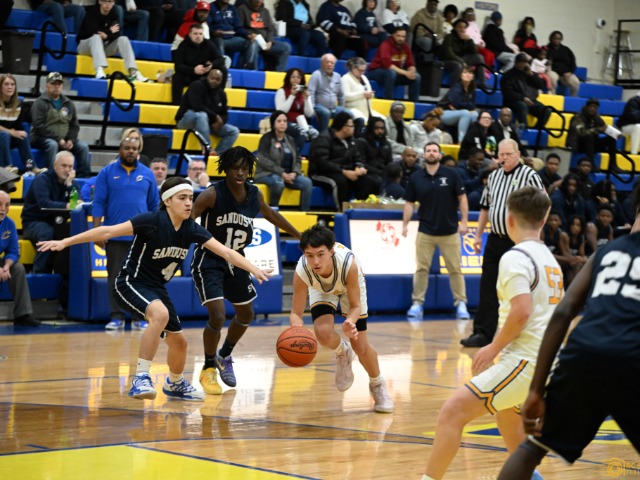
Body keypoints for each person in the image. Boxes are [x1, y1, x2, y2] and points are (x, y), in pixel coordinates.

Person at [38, 177, 272, 401]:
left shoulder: (191, 228)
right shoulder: (151, 221)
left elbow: (227, 252)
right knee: (160, 315)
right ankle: (141, 377)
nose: (189, 203)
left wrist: (253, 268)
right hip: (131, 282)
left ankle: (175, 383)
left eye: (191, 198)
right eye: (182, 198)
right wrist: (65, 242)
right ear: (167, 200)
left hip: (156, 288)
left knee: (179, 343)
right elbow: (106, 231)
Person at [496, 186, 640, 480]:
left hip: (582, 355)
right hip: (632, 357)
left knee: (533, 448)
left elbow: (563, 313)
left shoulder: (608, 251)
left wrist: (536, 390)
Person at [423, 186, 558, 480]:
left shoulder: (516, 256)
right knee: (506, 416)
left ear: (508, 219)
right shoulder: (549, 258)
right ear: (543, 220)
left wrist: (493, 347)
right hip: (545, 361)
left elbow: (521, 311)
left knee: (452, 412)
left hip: (525, 361)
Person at [191, 147, 300, 395]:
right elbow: (189, 219)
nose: (240, 173)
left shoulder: (254, 194)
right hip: (209, 259)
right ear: (225, 169)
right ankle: (208, 367)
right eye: (235, 168)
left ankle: (224, 355)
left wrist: (299, 235)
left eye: (244, 168)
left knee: (246, 314)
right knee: (217, 315)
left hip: (237, 259)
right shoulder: (212, 194)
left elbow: (271, 214)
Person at [289, 224, 394, 413]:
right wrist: (297, 329)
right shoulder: (302, 270)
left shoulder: (348, 264)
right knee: (322, 333)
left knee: (360, 346)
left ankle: (377, 384)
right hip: (321, 289)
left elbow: (355, 306)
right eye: (309, 255)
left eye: (320, 254)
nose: (315, 261)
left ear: (331, 251)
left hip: (348, 286)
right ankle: (342, 352)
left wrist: (350, 322)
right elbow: (296, 312)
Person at [460, 139, 545, 348]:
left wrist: (538, 231)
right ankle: (482, 333)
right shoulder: (494, 176)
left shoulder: (529, 175)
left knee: (519, 288)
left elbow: (545, 203)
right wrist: (477, 235)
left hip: (518, 241)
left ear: (518, 154)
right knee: (487, 286)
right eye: (501, 155)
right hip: (494, 238)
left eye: (508, 154)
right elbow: (485, 207)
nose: (504, 158)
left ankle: (523, 333)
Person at [93, 137, 160, 331]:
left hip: (141, 237)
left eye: (134, 149)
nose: (131, 151)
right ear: (120, 150)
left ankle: (139, 316)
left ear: (138, 151)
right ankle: (116, 316)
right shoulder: (106, 173)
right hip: (115, 236)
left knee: (140, 279)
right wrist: (97, 232)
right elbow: (98, 203)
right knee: (115, 278)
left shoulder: (147, 174)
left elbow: (154, 206)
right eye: (127, 148)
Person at [404, 142, 470, 324]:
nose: (431, 153)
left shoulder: (452, 174)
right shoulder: (416, 177)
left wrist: (464, 221)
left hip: (450, 231)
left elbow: (462, 198)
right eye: (428, 151)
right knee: (421, 269)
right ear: (423, 154)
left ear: (440, 155)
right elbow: (409, 203)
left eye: (434, 151)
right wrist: (405, 224)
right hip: (425, 231)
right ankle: (417, 303)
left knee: (455, 269)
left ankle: (461, 303)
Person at [21, 151, 82, 275]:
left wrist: (69, 185)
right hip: (33, 222)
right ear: (55, 165)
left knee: (73, 234)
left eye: (70, 166)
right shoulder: (41, 179)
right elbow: (44, 203)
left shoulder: (72, 183)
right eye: (63, 166)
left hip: (58, 223)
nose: (67, 170)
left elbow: (75, 204)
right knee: (49, 233)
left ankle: (64, 277)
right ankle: (39, 274)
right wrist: (67, 205)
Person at [309, 111, 380, 208]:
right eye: (352, 126)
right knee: (340, 182)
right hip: (321, 173)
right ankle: (342, 211)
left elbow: (358, 157)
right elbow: (322, 163)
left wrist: (359, 168)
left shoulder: (351, 140)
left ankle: (359, 209)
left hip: (346, 172)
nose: (354, 128)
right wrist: (344, 172)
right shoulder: (323, 139)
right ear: (344, 128)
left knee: (369, 181)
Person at [31, 72, 91, 177]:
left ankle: (83, 177)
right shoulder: (40, 102)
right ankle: (51, 176)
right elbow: (39, 125)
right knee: (52, 144)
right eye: (53, 83)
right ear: (47, 85)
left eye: (59, 84)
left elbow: (74, 125)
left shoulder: (68, 103)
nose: (56, 86)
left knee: (83, 146)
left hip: (64, 139)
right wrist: (58, 139)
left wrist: (70, 139)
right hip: (41, 137)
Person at [255, 110, 313, 211]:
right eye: (279, 121)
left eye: (285, 121)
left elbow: (297, 159)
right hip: (266, 174)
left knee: (307, 183)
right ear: (273, 123)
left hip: (288, 175)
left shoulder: (290, 140)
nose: (282, 123)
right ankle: (273, 211)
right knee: (278, 182)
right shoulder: (266, 138)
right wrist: (281, 173)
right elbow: (263, 160)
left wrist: (294, 173)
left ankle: (304, 213)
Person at [77, 0, 149, 82]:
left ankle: (133, 72)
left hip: (102, 48)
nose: (107, 4)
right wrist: (110, 31)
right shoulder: (92, 12)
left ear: (113, 3)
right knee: (96, 37)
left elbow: (117, 33)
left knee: (123, 39)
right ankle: (99, 70)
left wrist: (107, 35)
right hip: (85, 46)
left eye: (110, 2)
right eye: (105, 1)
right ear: (100, 1)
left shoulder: (113, 14)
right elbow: (93, 31)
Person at [175, 68, 239, 155]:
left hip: (207, 124)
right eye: (212, 78)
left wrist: (221, 122)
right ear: (207, 77)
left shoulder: (221, 94)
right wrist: (216, 117)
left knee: (234, 131)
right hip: (186, 120)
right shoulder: (197, 85)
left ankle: (217, 155)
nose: (214, 81)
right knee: (202, 115)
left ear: (221, 81)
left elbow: (224, 113)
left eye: (217, 79)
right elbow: (197, 106)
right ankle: (207, 148)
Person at [0, 191, 40, 327]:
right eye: (0, 204)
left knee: (18, 268)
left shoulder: (9, 224)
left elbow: (13, 251)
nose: (3, 209)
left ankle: (22, 315)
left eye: (7, 205)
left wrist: (6, 266)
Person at [171, 23, 227, 104]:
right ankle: (176, 104)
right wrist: (193, 70)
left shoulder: (208, 44)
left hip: (205, 75)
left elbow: (221, 59)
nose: (198, 36)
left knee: (222, 69)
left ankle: (218, 101)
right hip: (189, 75)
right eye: (195, 33)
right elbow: (178, 66)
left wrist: (212, 65)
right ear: (190, 35)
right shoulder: (183, 45)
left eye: (200, 34)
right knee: (177, 76)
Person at [367, 26, 421, 103]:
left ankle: (413, 104)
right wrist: (406, 73)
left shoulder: (405, 46)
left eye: (403, 36)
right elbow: (388, 65)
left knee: (416, 77)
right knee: (391, 73)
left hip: (394, 73)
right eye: (398, 36)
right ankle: (388, 102)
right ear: (393, 35)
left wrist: (411, 72)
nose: (400, 39)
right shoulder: (385, 45)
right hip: (376, 72)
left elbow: (410, 63)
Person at [500, 53, 550, 131]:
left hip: (531, 101)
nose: (523, 64)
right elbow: (508, 93)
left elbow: (540, 85)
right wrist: (523, 98)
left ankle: (537, 131)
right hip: (514, 101)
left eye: (525, 62)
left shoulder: (530, 73)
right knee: (522, 106)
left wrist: (532, 75)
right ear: (516, 62)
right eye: (521, 62)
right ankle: (524, 130)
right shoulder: (508, 75)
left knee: (547, 110)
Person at [238, 0, 291, 72]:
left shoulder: (265, 11)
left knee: (286, 47)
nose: (258, 0)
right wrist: (249, 34)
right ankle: (254, 71)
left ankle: (279, 73)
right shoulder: (242, 9)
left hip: (265, 42)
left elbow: (270, 29)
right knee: (254, 44)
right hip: (252, 40)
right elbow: (239, 28)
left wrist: (270, 41)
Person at [275, 68, 319, 152]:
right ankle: (295, 156)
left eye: (298, 77)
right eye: (293, 77)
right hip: (286, 122)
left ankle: (313, 157)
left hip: (302, 123)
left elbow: (309, 114)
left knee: (315, 134)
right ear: (288, 78)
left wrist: (306, 99)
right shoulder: (282, 91)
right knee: (301, 132)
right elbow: (280, 112)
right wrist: (291, 96)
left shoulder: (304, 92)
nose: (295, 79)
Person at [566, 98, 618, 163]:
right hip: (578, 145)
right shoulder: (578, 117)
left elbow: (603, 127)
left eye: (595, 107)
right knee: (589, 137)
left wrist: (614, 132)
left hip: (592, 144)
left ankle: (613, 164)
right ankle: (591, 163)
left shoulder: (596, 117)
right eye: (591, 106)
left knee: (612, 138)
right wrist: (597, 129)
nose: (593, 109)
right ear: (586, 106)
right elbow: (582, 133)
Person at [0, 73, 34, 172]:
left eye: (12, 84)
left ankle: (31, 167)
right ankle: (7, 166)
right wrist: (11, 132)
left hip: (7, 140)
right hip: (3, 137)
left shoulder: (19, 105)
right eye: (6, 84)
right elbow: (10, 132)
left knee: (22, 136)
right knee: (5, 135)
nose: (10, 87)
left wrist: (17, 133)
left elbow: (18, 126)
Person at [341, 57, 383, 135]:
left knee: (383, 120)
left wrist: (370, 95)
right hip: (352, 109)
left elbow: (369, 91)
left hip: (367, 110)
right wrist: (362, 94)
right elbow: (345, 96)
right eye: (360, 70)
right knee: (361, 120)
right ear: (353, 68)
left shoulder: (364, 78)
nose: (362, 73)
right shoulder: (345, 78)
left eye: (363, 70)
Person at [436, 66, 478, 143]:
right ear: (461, 75)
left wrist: (461, 108)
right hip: (444, 112)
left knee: (475, 114)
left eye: (469, 73)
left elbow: (472, 106)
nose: (467, 75)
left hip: (458, 113)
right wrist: (465, 107)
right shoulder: (456, 87)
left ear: (473, 77)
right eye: (465, 72)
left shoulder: (472, 90)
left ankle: (472, 139)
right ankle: (461, 141)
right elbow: (456, 102)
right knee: (465, 113)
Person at [208, 0, 254, 68]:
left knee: (249, 42)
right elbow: (206, 26)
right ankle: (221, 67)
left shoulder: (232, 8)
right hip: (215, 38)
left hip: (231, 39)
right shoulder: (211, 7)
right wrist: (213, 32)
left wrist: (247, 34)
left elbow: (238, 27)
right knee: (219, 42)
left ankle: (246, 67)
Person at [308, 54, 347, 134]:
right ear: (322, 63)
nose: (329, 64)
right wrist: (312, 110)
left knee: (349, 114)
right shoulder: (316, 75)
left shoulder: (337, 76)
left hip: (333, 108)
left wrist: (341, 108)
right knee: (326, 113)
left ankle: (336, 134)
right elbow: (311, 93)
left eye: (332, 63)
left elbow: (341, 95)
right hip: (318, 106)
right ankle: (323, 135)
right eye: (327, 62)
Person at [440, 18, 485, 87]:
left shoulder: (465, 38)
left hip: (461, 59)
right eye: (459, 27)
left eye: (464, 27)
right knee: (458, 65)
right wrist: (461, 61)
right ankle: (454, 87)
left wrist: (469, 40)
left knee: (479, 57)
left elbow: (474, 52)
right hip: (448, 60)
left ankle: (481, 82)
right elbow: (448, 53)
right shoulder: (449, 37)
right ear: (455, 28)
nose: (462, 29)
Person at [356, 117, 393, 189]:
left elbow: (389, 163)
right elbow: (362, 164)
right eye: (376, 128)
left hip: (382, 173)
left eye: (382, 128)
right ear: (370, 129)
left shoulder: (386, 144)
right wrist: (380, 172)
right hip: (367, 174)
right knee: (377, 181)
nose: (380, 131)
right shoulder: (362, 142)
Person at [546, 30, 580, 97]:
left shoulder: (566, 49)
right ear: (551, 38)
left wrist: (570, 72)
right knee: (552, 78)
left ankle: (573, 98)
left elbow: (573, 62)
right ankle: (552, 97)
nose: (557, 40)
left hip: (565, 73)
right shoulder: (546, 49)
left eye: (559, 39)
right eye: (555, 38)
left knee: (575, 82)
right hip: (552, 71)